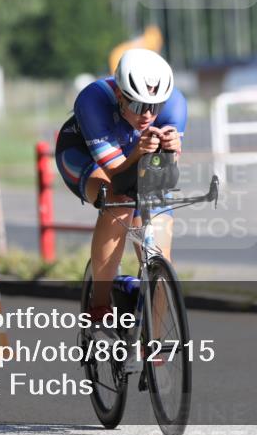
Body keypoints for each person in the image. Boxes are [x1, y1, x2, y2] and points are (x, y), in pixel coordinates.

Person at [54, 48, 186, 325]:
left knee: (160, 252)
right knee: (119, 201)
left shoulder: (174, 104)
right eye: (138, 105)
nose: (148, 114)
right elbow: (117, 177)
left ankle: (152, 340)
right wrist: (138, 152)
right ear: (119, 95)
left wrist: (172, 151)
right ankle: (99, 304)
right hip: (83, 156)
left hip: (135, 155)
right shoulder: (94, 100)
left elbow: (163, 172)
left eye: (155, 106)